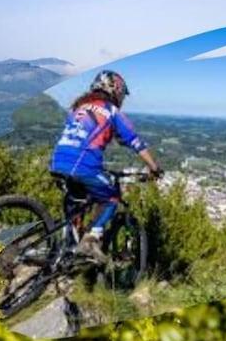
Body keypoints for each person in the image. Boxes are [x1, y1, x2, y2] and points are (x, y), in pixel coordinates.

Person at [49, 69, 162, 257]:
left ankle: (66, 249)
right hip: (84, 165)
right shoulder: (111, 111)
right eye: (121, 94)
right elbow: (135, 142)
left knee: (75, 200)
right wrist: (154, 168)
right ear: (115, 90)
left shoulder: (78, 108)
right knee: (111, 197)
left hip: (58, 161)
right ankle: (91, 239)